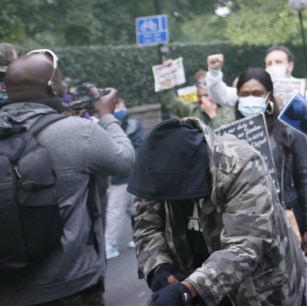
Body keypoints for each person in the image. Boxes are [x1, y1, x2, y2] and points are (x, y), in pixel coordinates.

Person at [0, 50, 135, 305]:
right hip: (69, 285)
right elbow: (124, 162)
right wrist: (107, 115)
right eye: (60, 81)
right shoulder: (77, 131)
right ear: (52, 87)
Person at [130, 117, 306, 306]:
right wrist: (160, 269)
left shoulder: (240, 164)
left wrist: (188, 289)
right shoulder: (152, 171)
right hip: (199, 281)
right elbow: (146, 227)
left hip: (260, 288)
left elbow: (246, 244)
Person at [234, 67, 307, 257]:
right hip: (246, 231)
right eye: (244, 94)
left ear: (268, 96)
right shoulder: (228, 138)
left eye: (257, 94)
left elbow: (305, 180)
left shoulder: (290, 133)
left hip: (287, 221)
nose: (250, 98)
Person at [105, 97, 145, 260]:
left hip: (130, 174)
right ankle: (139, 238)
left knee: (118, 210)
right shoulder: (106, 127)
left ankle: (110, 245)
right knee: (131, 208)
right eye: (116, 106)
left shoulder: (134, 125)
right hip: (120, 175)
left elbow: (138, 148)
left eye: (121, 105)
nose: (120, 109)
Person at [158, 68, 234, 130]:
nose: (203, 100)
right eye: (200, 96)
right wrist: (167, 73)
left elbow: (227, 132)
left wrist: (212, 114)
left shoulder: (227, 110)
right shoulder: (193, 111)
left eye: (206, 95)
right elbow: (170, 100)